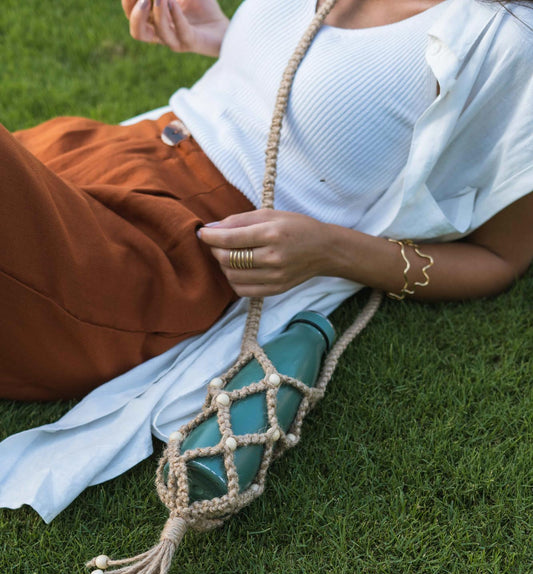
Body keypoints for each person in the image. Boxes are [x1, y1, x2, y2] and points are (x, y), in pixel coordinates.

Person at [0, 0, 532, 523]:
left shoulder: (508, 39)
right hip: (99, 149)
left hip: (168, 247)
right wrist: (228, 39)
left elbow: (499, 257)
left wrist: (330, 250)